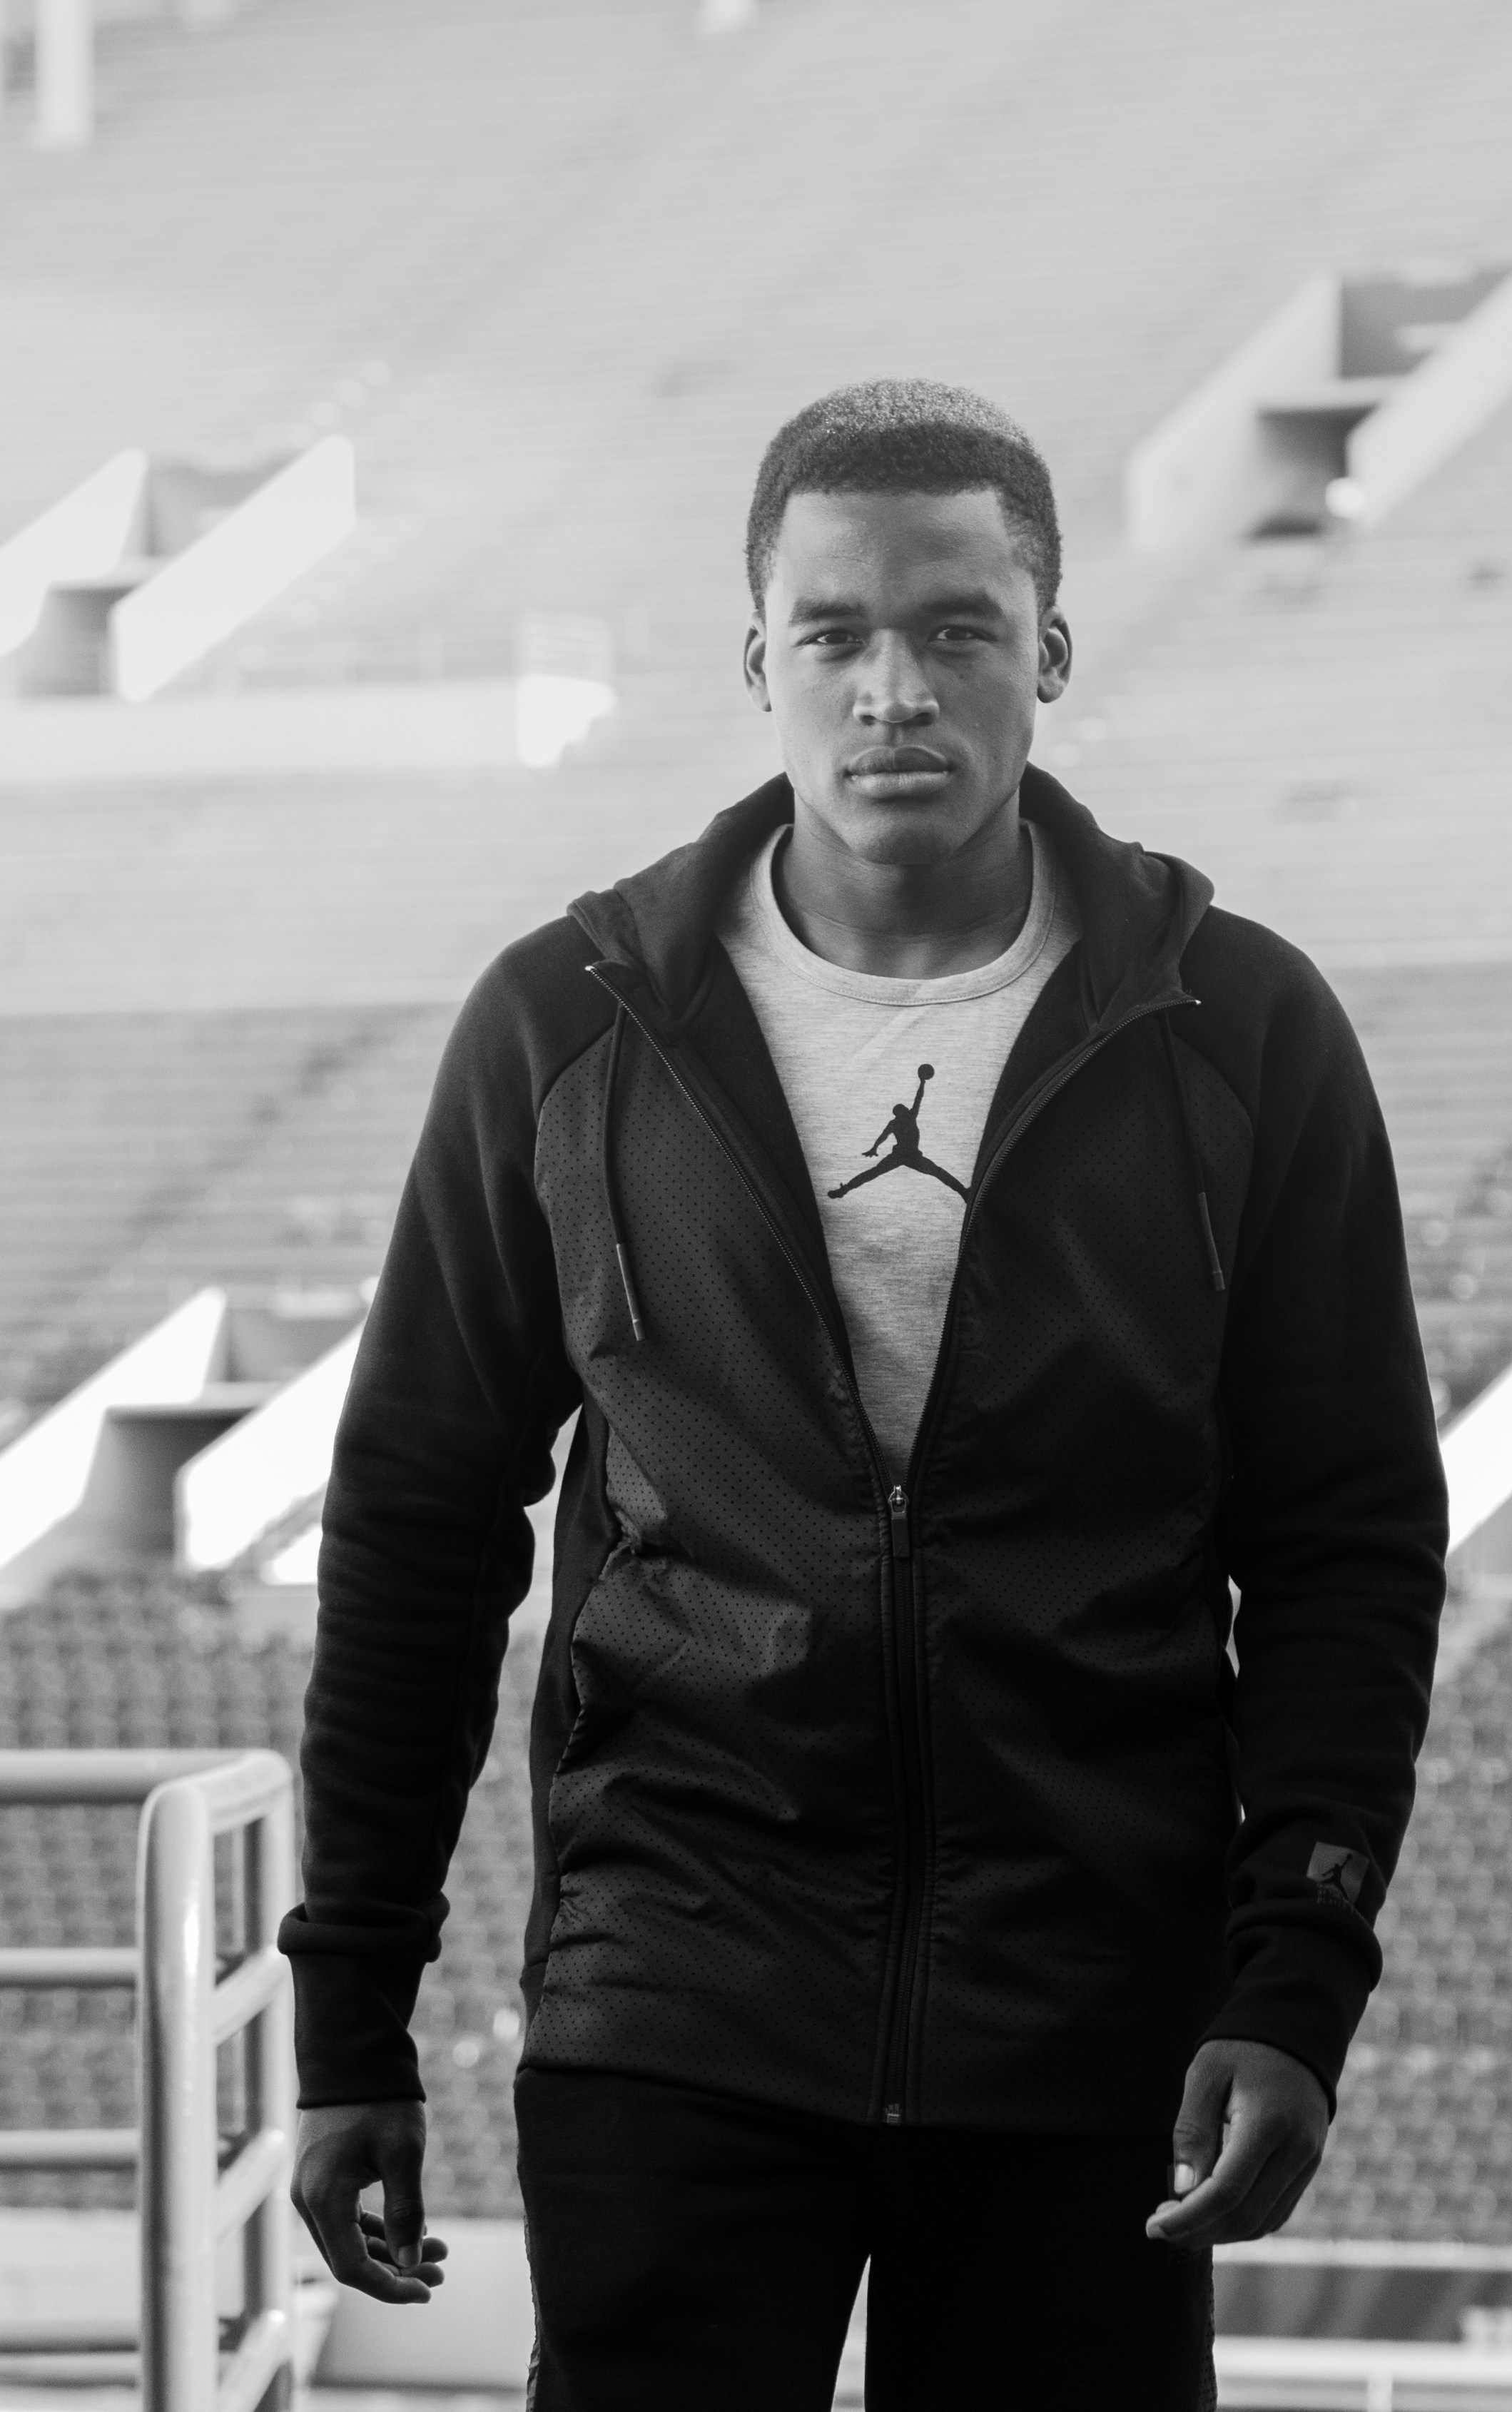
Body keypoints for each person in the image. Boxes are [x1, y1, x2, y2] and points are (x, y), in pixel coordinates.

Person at [283, 379, 1447, 2411]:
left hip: (1088, 2013)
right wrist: (348, 2019)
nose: (893, 688)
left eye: (956, 629)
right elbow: (416, 1520)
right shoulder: (568, 1025)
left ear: (1050, 654)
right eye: (834, 635)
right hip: (680, 1993)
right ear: (759, 664)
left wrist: (1298, 1976)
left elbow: (1348, 1531)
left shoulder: (1239, 1027)